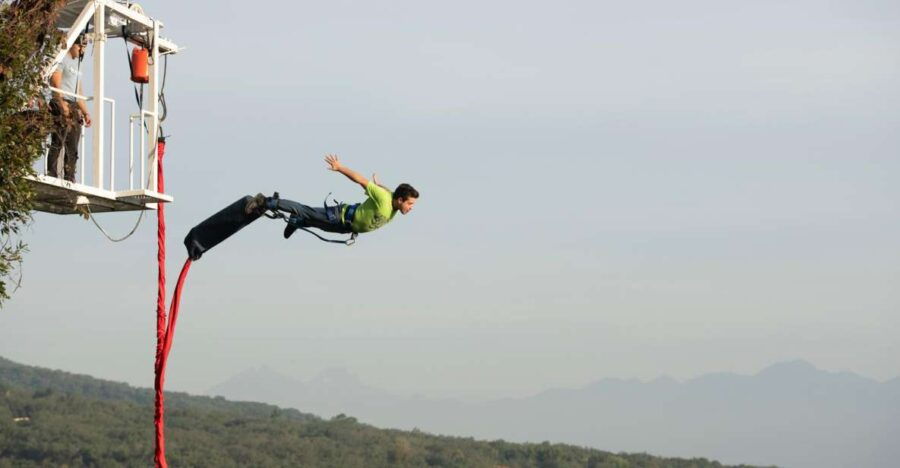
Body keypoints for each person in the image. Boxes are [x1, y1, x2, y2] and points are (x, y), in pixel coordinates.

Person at [246, 154, 418, 239]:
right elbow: (360, 180)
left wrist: (380, 184)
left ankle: (296, 221)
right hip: (340, 216)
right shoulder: (383, 197)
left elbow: (389, 193)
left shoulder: (393, 203)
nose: (411, 208)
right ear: (401, 199)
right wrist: (340, 167)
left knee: (317, 224)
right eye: (410, 204)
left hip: (345, 228)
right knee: (305, 210)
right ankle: (266, 201)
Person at [46, 35, 92, 182]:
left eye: (84, 48)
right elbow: (55, 83)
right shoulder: (62, 59)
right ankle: (52, 174)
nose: (81, 50)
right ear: (73, 45)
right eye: (80, 46)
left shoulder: (78, 65)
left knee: (73, 145)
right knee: (58, 140)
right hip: (61, 102)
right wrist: (61, 104)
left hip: (72, 105)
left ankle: (69, 176)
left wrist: (85, 112)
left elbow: (78, 91)